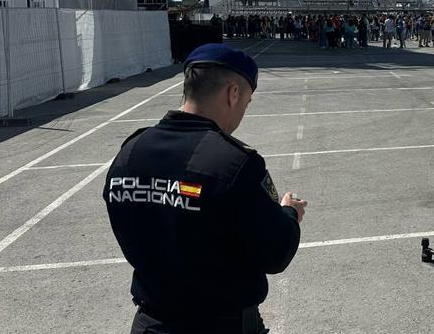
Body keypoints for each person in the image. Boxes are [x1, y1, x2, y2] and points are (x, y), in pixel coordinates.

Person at [103, 44, 307, 334]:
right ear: (233, 94)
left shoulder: (131, 151)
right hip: (221, 323)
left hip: (151, 322)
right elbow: (275, 253)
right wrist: (288, 213)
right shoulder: (234, 164)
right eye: (247, 102)